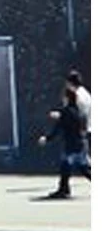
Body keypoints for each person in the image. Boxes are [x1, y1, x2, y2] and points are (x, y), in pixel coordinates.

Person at [39, 73, 90, 201]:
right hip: (81, 139)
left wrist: (47, 138)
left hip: (73, 141)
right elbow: (76, 118)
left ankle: (63, 189)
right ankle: (64, 188)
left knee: (68, 164)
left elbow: (60, 126)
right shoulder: (82, 98)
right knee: (82, 166)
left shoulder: (76, 102)